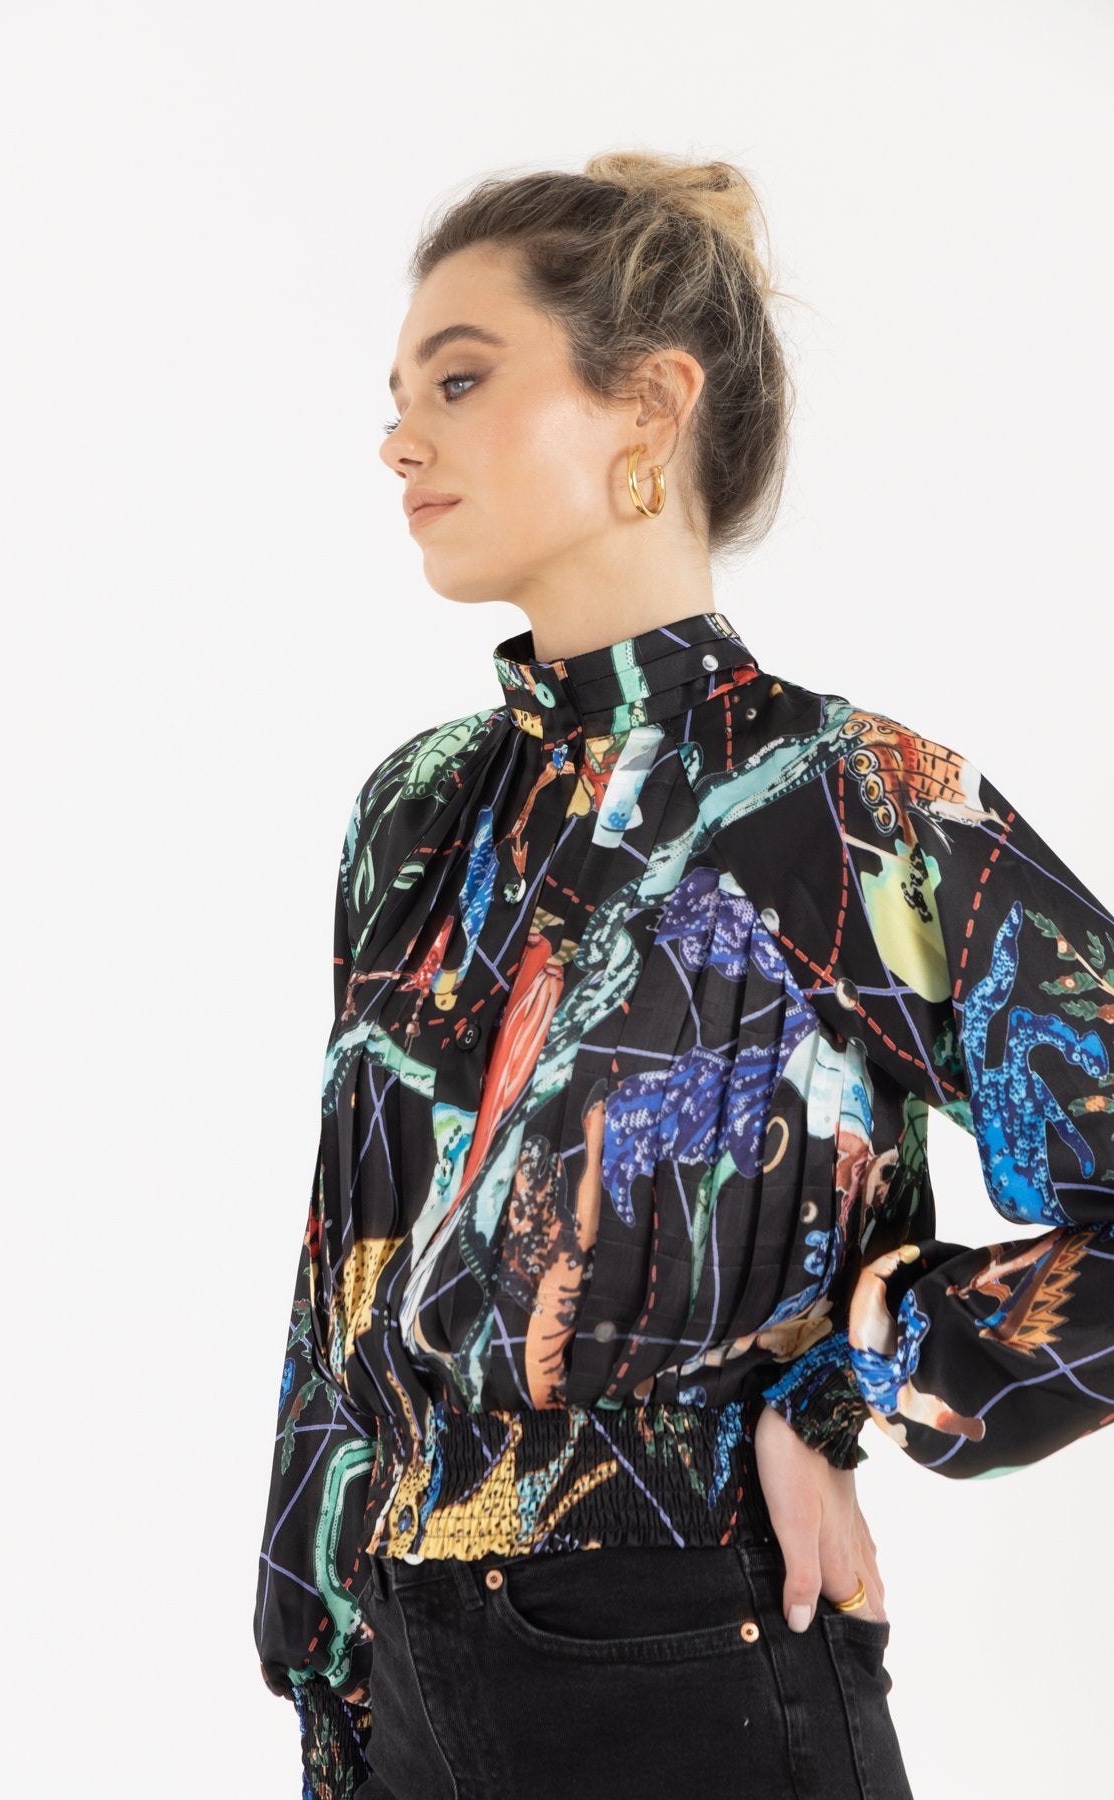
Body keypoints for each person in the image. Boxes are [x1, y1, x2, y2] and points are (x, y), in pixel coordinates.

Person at [254, 153, 1114, 1800]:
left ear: (647, 406)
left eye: (459, 380)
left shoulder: (850, 802)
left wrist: (846, 1383)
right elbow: (339, 1274)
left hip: (688, 1659)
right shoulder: (415, 813)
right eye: (396, 400)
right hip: (403, 1673)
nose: (401, 441)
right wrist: (323, 1659)